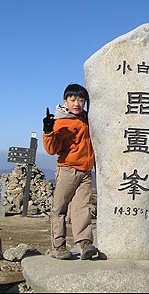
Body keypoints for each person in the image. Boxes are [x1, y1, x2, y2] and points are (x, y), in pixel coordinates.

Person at [42, 83, 97, 260]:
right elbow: (52, 150)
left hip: (86, 171)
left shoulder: (87, 118)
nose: (77, 103)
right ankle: (59, 246)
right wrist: (48, 131)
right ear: (65, 101)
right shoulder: (61, 122)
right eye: (72, 99)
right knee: (59, 209)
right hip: (67, 170)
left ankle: (85, 243)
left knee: (82, 207)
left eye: (81, 100)